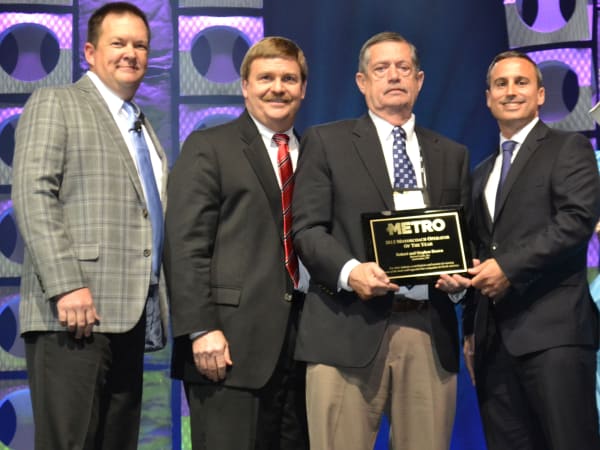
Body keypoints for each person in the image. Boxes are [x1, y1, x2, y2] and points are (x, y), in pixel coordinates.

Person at [291, 31, 471, 450]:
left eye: (403, 68)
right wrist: (351, 272)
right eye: (381, 68)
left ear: (419, 80)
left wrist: (460, 281)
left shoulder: (452, 154)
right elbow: (307, 230)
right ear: (362, 81)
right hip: (346, 327)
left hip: (427, 330)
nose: (394, 76)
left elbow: (465, 238)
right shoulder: (327, 142)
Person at [11, 2, 168, 449]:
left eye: (140, 45)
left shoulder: (141, 125)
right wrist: (66, 285)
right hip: (73, 314)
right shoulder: (56, 103)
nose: (131, 53)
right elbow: (33, 194)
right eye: (118, 43)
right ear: (89, 52)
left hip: (129, 316)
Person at [164, 36, 309, 449]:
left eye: (289, 78)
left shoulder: (318, 153)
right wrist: (201, 328)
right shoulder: (209, 147)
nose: (277, 88)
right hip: (227, 348)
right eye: (265, 78)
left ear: (303, 88)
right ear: (245, 86)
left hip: (306, 350)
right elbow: (184, 245)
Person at [462, 50, 600, 450]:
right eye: (500, 84)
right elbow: (478, 248)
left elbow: (575, 221)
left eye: (521, 82)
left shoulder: (569, 148)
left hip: (555, 336)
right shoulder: (480, 173)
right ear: (488, 98)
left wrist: (507, 267)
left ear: (540, 95)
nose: (510, 91)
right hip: (493, 346)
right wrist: (470, 328)